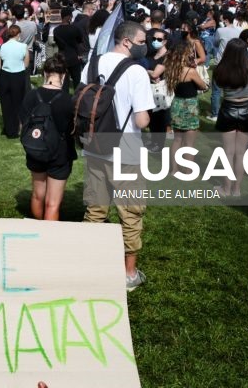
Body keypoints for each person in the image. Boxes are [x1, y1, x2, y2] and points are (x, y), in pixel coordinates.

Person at [80, 21, 154, 292]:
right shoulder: (136, 72)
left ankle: (89, 265)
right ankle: (129, 274)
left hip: (94, 145)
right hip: (126, 151)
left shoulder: (92, 63)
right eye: (142, 40)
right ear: (126, 41)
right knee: (131, 213)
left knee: (95, 208)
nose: (145, 44)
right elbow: (142, 120)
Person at [19, 54, 76, 221]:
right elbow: (72, 129)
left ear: (45, 73)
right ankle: (49, 241)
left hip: (36, 149)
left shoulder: (31, 95)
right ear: (64, 75)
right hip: (60, 153)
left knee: (37, 195)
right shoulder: (68, 100)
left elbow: (24, 125)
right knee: (53, 203)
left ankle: (37, 233)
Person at [213, 39, 248, 197]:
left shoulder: (222, 68)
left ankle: (226, 188)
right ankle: (236, 189)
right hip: (246, 109)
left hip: (228, 108)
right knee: (241, 153)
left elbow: (218, 85)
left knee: (228, 152)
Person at [165, 41, 209, 174]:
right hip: (189, 105)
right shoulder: (190, 71)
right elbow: (203, 86)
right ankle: (188, 170)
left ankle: (174, 169)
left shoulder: (170, 69)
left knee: (177, 140)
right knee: (189, 143)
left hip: (176, 103)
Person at [0, 24, 30, 138]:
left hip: (5, 76)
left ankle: (9, 129)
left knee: (6, 103)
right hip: (18, 76)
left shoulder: (0, 46)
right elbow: (26, 64)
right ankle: (18, 127)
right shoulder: (24, 46)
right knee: (19, 103)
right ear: (18, 34)